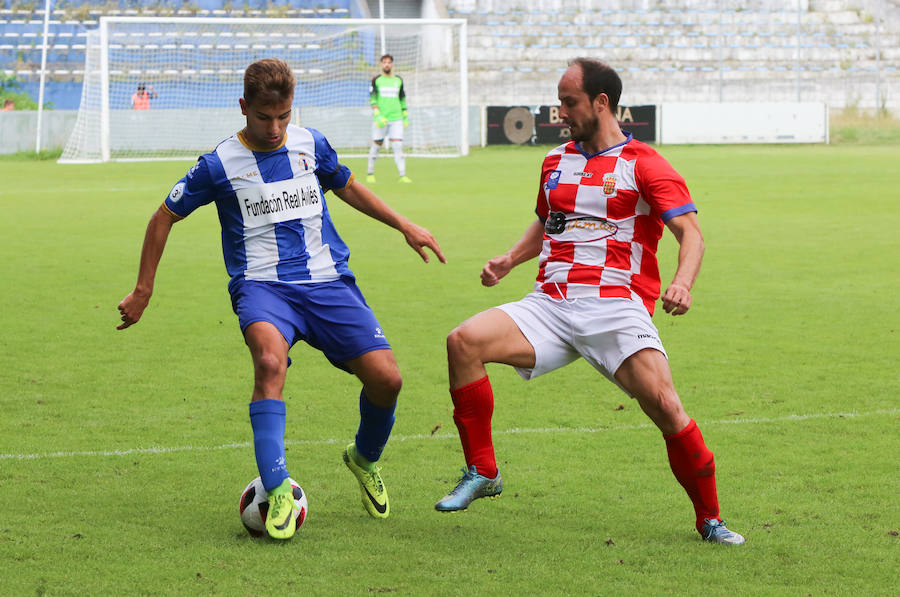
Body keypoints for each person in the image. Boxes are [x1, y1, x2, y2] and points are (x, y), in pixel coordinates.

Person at [117, 58, 446, 540]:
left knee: (388, 380)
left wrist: (405, 225)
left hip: (328, 282)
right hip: (262, 287)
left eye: (284, 116)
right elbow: (163, 216)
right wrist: (143, 289)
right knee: (270, 364)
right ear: (243, 107)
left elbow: (348, 185)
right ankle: (278, 491)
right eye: (264, 117)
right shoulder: (218, 164)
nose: (275, 128)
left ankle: (363, 458)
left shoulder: (311, 144)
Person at [434, 58, 745, 545]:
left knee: (666, 405)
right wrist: (510, 260)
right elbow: (548, 224)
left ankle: (710, 519)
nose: (560, 112)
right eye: (559, 102)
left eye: (569, 102)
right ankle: (483, 470)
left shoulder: (645, 164)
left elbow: (692, 235)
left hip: (615, 308)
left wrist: (683, 283)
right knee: (463, 342)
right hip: (550, 304)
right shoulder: (554, 162)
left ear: (601, 103)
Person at [367, 54, 410, 184]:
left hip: (396, 118)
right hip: (382, 119)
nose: (387, 64)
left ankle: (402, 175)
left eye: (389, 62)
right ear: (381, 64)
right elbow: (373, 99)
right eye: (384, 62)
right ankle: (370, 172)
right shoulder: (376, 80)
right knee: (376, 145)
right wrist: (377, 115)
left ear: (392, 64)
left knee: (397, 145)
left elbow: (402, 98)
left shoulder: (398, 80)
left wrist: (405, 114)